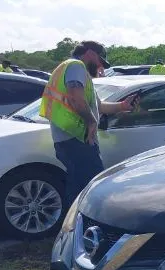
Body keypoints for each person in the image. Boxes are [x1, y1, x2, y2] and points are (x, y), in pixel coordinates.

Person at [39, 40, 139, 203]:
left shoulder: (73, 70)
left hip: (70, 139)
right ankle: (89, 224)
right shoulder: (76, 66)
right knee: (93, 190)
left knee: (79, 188)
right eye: (100, 61)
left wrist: (122, 105)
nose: (101, 67)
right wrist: (91, 121)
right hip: (76, 138)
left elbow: (98, 106)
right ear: (91, 54)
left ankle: (73, 225)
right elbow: (74, 95)